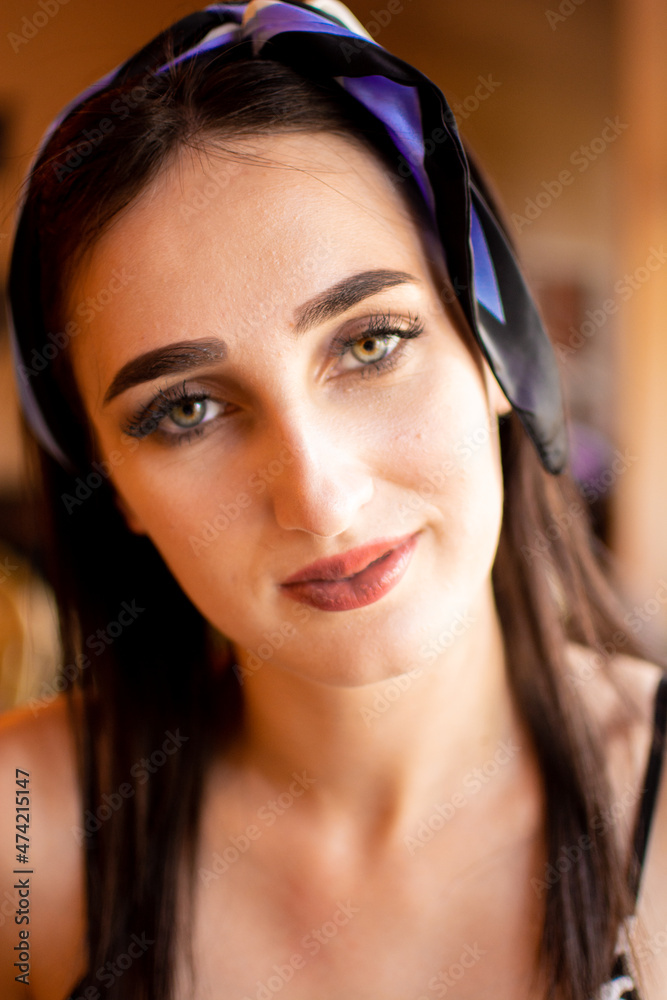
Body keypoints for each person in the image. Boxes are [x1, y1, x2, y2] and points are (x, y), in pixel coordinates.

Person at [1, 2, 666, 998]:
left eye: (369, 342)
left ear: (495, 353)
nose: (320, 496)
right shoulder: (25, 838)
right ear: (110, 484)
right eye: (184, 409)